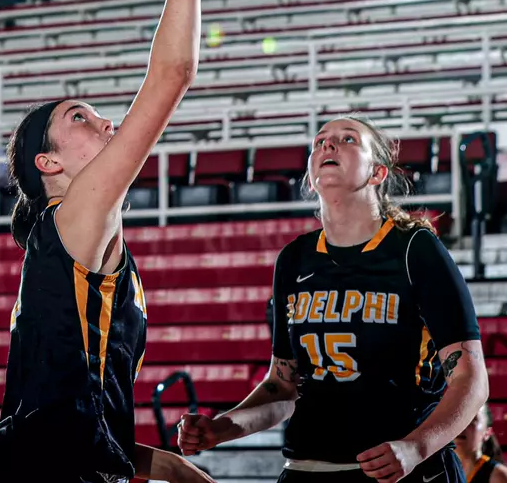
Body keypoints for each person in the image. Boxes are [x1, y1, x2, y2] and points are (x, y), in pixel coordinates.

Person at [0, 0, 222, 483]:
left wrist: (171, 468)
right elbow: (174, 73)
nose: (106, 120)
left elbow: (88, 419)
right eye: (79, 117)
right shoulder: (68, 220)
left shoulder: (104, 254)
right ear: (49, 164)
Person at [177, 116, 489, 483]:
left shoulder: (415, 250)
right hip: (307, 470)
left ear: (377, 173)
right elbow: (282, 386)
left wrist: (417, 446)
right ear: (311, 178)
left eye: (347, 139)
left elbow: (471, 379)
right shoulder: (294, 259)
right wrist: (221, 428)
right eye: (320, 141)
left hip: (401, 470)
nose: (328, 145)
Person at [454, 405, 507, 483]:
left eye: (471, 419)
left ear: (487, 433)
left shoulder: (500, 477)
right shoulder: (443, 470)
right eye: (457, 419)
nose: (462, 426)